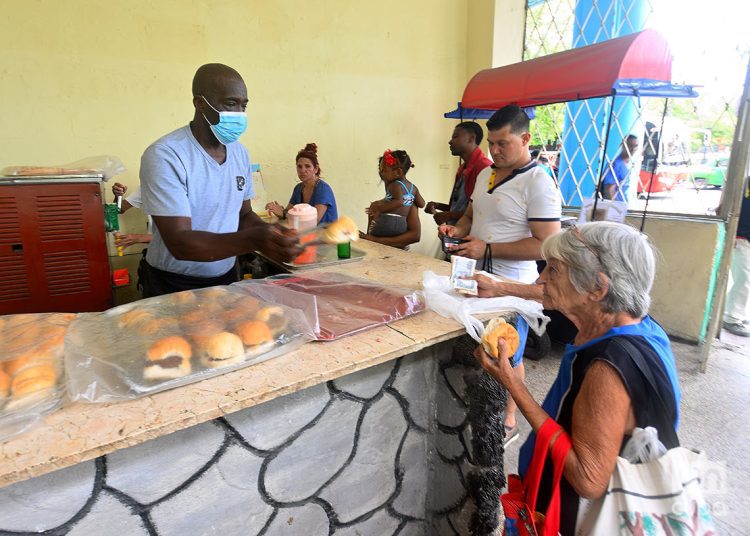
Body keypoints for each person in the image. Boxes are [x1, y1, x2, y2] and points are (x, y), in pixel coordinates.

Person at [473, 222, 681, 534]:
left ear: (598, 289)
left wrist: (513, 384)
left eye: (553, 270)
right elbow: (545, 293)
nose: (542, 279)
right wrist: (501, 287)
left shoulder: (608, 367)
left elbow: (588, 479)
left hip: (571, 519)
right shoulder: (641, 327)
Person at [439, 105, 562, 444]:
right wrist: (456, 229)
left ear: (525, 139)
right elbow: (471, 216)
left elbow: (546, 244)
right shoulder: (485, 174)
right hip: (472, 274)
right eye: (491, 143)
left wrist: (489, 250)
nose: (494, 150)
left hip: (512, 286)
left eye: (503, 143)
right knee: (477, 346)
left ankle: (509, 416)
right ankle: (479, 403)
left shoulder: (539, 183)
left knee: (508, 351)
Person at [138, 63, 301, 298]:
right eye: (230, 104)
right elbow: (180, 242)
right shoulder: (166, 155)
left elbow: (244, 216)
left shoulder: (239, 153)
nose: (239, 114)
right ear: (200, 103)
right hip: (173, 284)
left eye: (243, 106)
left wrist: (273, 235)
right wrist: (255, 240)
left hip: (225, 278)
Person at [425, 122, 491, 226]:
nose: (450, 142)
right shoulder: (462, 169)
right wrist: (438, 206)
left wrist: (449, 215)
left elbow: (483, 211)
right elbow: (461, 207)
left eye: (455, 136)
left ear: (471, 138)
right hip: (456, 233)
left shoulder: (485, 168)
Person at [265, 143, 338, 224]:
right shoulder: (298, 188)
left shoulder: (323, 189)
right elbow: (288, 213)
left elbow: (313, 221)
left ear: (316, 169)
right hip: (306, 233)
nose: (302, 170)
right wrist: (278, 211)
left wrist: (284, 213)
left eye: (307, 166)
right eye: (299, 166)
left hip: (325, 234)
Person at [366, 149, 425, 237]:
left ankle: (370, 238)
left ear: (398, 172)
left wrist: (380, 209)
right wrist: (409, 201)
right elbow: (422, 204)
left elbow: (398, 202)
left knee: (373, 235)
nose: (380, 173)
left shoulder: (395, 185)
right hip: (402, 225)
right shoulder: (413, 188)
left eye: (384, 170)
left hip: (389, 221)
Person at [723, 176, 750, 336]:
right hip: (740, 238)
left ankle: (737, 314)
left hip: (743, 237)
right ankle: (732, 317)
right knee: (744, 279)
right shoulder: (744, 183)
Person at [111, 182, 152, 250]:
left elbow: (174, 237)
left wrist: (139, 238)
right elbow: (119, 209)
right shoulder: (147, 187)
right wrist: (118, 196)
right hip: (154, 251)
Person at [601, 134, 639, 202]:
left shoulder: (630, 164)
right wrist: (617, 208)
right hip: (616, 207)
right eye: (630, 145)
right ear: (623, 145)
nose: (633, 149)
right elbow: (609, 190)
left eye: (636, 146)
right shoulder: (615, 164)